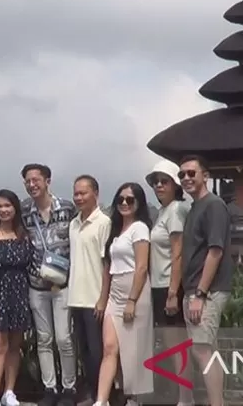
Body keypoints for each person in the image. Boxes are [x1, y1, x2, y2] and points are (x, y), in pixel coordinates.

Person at [178, 155, 234, 406]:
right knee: (201, 349)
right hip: (194, 289)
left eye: (192, 173)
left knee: (203, 350)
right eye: (182, 175)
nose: (187, 178)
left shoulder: (213, 205)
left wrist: (200, 294)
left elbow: (215, 251)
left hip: (207, 291)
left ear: (205, 176)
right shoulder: (194, 208)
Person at [20, 163, 77, 406]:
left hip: (62, 284)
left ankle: (70, 388)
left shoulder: (66, 207)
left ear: (47, 181)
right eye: (27, 181)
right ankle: (50, 387)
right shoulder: (24, 212)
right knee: (43, 339)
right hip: (37, 283)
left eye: (36, 180)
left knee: (64, 339)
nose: (32, 185)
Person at [94, 183, 154, 406]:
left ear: (139, 203)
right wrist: (103, 298)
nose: (125, 204)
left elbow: (141, 267)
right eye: (121, 199)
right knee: (109, 347)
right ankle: (101, 400)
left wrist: (132, 300)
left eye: (130, 199)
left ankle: (133, 398)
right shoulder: (115, 230)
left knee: (134, 349)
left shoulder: (140, 228)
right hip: (115, 291)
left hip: (135, 290)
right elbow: (107, 268)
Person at [0, 189, 33, 406]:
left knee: (14, 345)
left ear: (15, 208)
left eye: (7, 206)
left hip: (19, 292)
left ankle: (9, 391)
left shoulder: (24, 235)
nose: (3, 210)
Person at [145, 159, 193, 406]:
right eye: (156, 182)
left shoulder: (175, 210)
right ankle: (181, 395)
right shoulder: (163, 211)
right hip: (159, 285)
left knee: (177, 345)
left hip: (169, 286)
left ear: (176, 185)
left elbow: (178, 252)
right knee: (170, 343)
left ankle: (186, 398)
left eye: (164, 181)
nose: (159, 186)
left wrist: (173, 292)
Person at [67, 175, 111, 405]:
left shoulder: (103, 223)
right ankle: (93, 395)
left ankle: (104, 396)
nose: (79, 197)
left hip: (95, 298)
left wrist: (103, 299)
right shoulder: (73, 224)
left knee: (98, 353)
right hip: (75, 297)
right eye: (76, 193)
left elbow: (107, 264)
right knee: (83, 352)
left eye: (83, 193)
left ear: (96, 193)